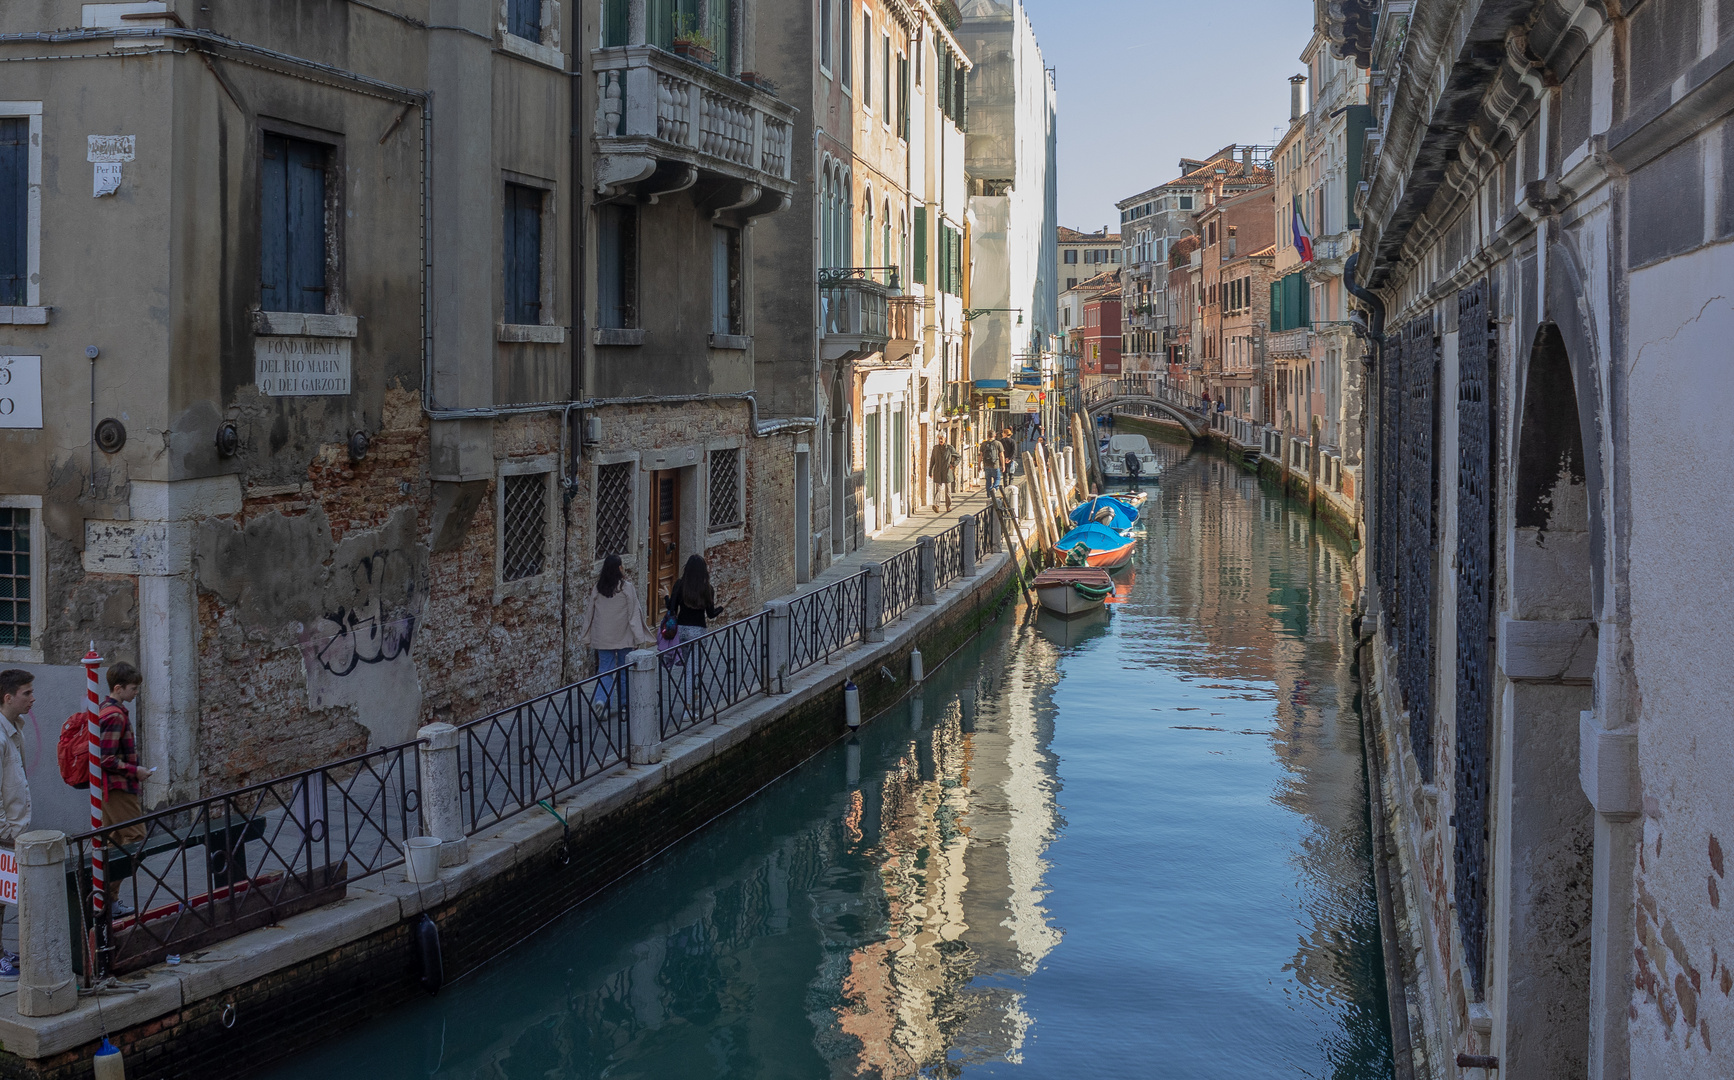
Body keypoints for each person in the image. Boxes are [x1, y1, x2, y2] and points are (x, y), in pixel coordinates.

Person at [96, 662, 154, 916]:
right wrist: (136, 771)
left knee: (115, 841)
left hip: (112, 788)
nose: (136, 692)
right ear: (118, 688)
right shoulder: (114, 716)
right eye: (133, 688)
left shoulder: (107, 710)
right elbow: (105, 758)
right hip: (117, 789)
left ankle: (107, 901)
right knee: (135, 839)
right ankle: (105, 898)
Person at [579, 554, 652, 709]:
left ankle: (602, 701)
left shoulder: (598, 588)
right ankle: (625, 704)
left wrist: (586, 635)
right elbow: (633, 613)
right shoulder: (626, 588)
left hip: (603, 637)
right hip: (624, 635)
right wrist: (638, 637)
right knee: (624, 670)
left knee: (605, 669)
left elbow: (589, 613)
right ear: (619, 568)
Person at [0, 670, 33, 979]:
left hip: (13, 829)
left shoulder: (14, 727)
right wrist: (6, 832)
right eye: (26, 693)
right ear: (8, 697)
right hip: (4, 833)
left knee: (4, 896)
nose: (32, 698)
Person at [928, 433, 959, 512]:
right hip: (938, 471)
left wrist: (953, 464)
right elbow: (932, 460)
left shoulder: (950, 448)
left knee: (948, 490)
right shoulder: (935, 449)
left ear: (945, 439)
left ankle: (948, 506)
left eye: (942, 438)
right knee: (938, 489)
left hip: (947, 471)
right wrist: (930, 471)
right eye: (939, 439)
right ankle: (937, 505)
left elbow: (958, 457)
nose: (940, 440)